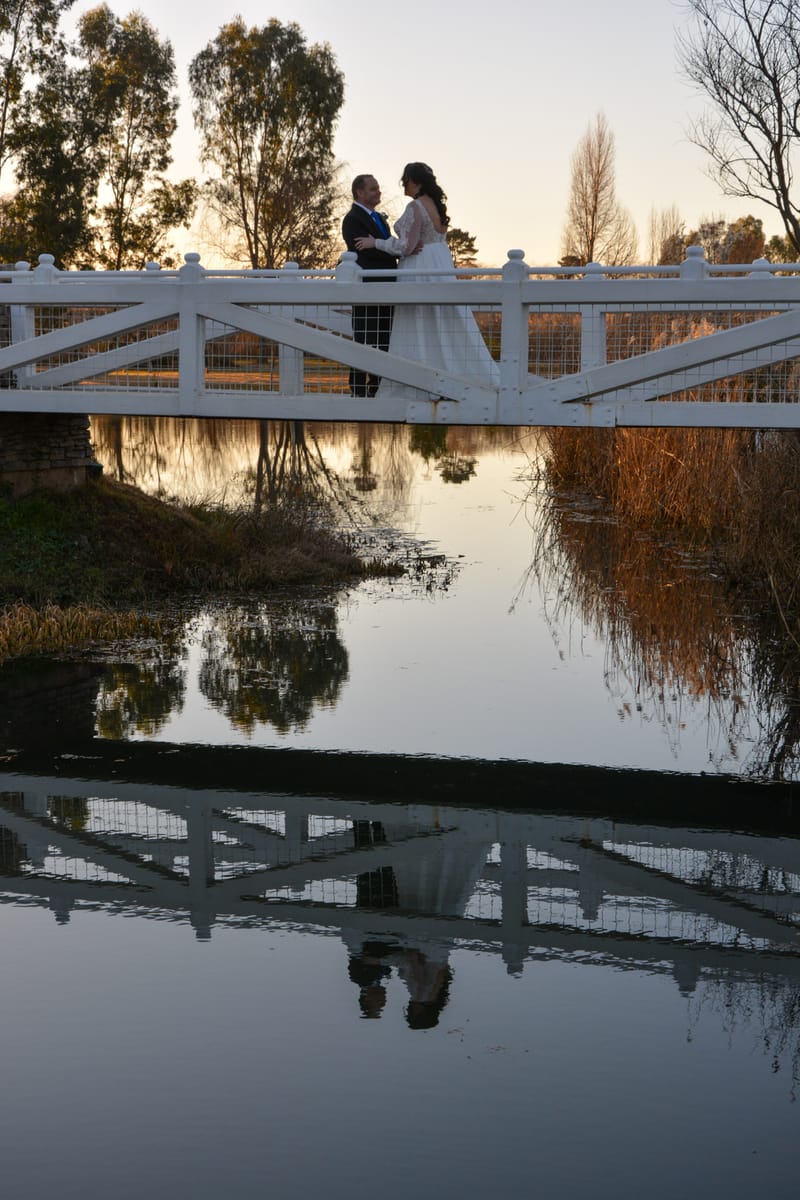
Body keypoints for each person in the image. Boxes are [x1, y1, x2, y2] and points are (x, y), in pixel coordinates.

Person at [354, 162, 499, 400]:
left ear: (415, 181)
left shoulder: (416, 206)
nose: (404, 188)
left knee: (417, 319)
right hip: (440, 263)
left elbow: (406, 246)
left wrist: (376, 243)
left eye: (406, 182)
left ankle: (415, 382)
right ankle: (446, 376)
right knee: (441, 318)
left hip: (420, 266)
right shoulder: (437, 206)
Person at [341, 174, 398, 397]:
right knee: (364, 337)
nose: (378, 192)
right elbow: (363, 250)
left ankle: (377, 385)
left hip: (386, 285)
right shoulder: (353, 219)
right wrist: (387, 247)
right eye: (373, 189)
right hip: (367, 285)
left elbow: (383, 245)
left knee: (383, 336)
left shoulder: (379, 219)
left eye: (378, 188)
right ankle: (357, 386)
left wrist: (385, 245)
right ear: (360, 192)